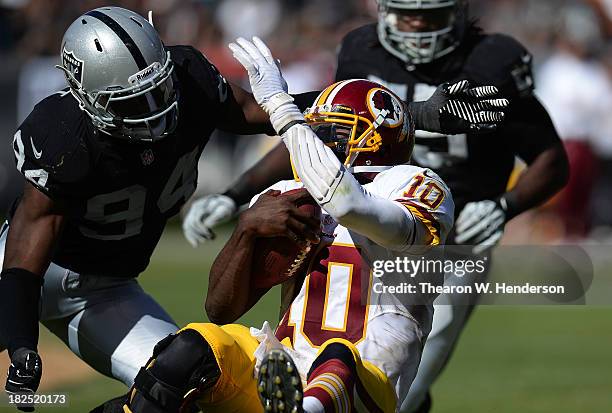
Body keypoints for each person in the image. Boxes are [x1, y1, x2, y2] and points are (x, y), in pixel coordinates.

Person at [183, 1, 569, 411]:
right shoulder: (362, 50)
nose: (417, 25)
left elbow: (550, 157)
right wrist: (237, 191)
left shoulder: (492, 60)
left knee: (406, 377)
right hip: (357, 216)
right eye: (406, 13)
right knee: (347, 362)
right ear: (382, 11)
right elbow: (327, 133)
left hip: (445, 229)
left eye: (431, 15)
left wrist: (503, 205)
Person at [0, 6, 320, 408]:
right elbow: (23, 267)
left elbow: (269, 115)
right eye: (134, 102)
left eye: (160, 89)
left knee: (186, 385)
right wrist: (22, 346)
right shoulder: (64, 135)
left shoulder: (190, 78)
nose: (156, 110)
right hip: (41, 274)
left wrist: (351, 106)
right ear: (87, 99)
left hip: (108, 292)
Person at [120, 38, 456, 413]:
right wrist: (246, 229)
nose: (319, 143)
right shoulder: (287, 195)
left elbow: (348, 205)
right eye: (318, 132)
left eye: (334, 133)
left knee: (337, 361)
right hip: (281, 369)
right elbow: (220, 309)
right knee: (193, 347)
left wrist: (281, 107)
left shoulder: (417, 185)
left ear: (378, 138)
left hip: (365, 382)